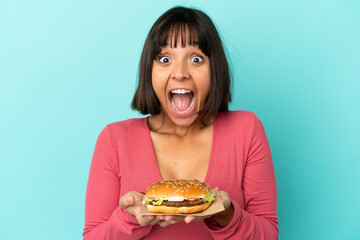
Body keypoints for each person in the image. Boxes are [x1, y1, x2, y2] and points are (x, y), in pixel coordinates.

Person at [83, 6, 278, 240]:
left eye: (196, 59)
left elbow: (268, 234)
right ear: (150, 70)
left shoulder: (246, 130)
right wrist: (131, 218)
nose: (180, 73)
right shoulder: (115, 139)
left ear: (214, 69)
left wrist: (226, 213)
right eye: (165, 59)